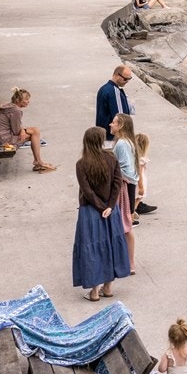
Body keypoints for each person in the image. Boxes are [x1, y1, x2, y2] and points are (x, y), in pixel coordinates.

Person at [72, 126, 130, 301]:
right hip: (110, 210)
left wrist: (99, 207)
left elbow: (87, 191)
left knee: (92, 248)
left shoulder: (81, 164)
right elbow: (117, 183)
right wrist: (110, 206)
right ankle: (108, 287)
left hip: (90, 212)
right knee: (111, 245)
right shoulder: (111, 158)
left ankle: (94, 291)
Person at [0, 88, 57, 172]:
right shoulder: (16, 111)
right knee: (35, 133)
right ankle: (38, 162)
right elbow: (16, 131)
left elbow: (16, 127)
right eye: (26, 99)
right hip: (3, 139)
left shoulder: (10, 106)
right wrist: (22, 130)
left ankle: (38, 161)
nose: (28, 101)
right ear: (18, 100)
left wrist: (23, 130)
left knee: (35, 130)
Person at [110, 114, 140, 270]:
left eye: (114, 122)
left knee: (125, 225)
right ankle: (128, 262)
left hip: (124, 187)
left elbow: (126, 170)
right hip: (129, 185)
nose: (110, 124)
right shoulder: (126, 142)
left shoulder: (122, 143)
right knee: (125, 225)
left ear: (120, 125)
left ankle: (130, 263)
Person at [95, 66, 135, 139]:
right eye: (125, 79)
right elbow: (121, 119)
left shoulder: (103, 88)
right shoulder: (115, 92)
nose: (127, 81)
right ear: (116, 75)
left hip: (102, 135)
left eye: (129, 79)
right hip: (111, 137)